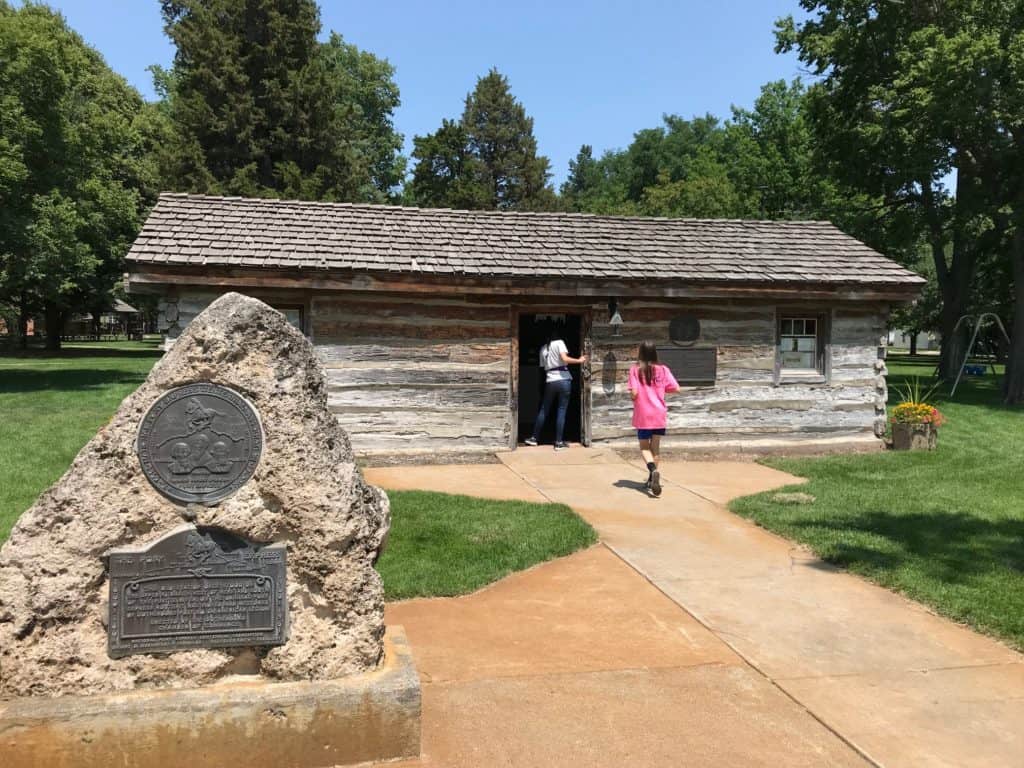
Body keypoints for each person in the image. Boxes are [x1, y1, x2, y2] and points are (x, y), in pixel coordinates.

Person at [628, 341, 679, 496]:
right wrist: (660, 391)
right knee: (655, 447)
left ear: (641, 353)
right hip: (659, 413)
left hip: (644, 414)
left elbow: (635, 393)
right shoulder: (663, 369)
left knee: (644, 447)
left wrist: (632, 396)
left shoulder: (635, 370)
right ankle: (651, 479)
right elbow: (676, 388)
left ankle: (652, 470)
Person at [525, 328, 587, 450]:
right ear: (556, 335)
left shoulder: (543, 348)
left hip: (550, 381)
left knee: (544, 409)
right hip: (563, 379)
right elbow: (564, 359)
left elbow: (543, 367)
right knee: (561, 410)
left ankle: (534, 438)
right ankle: (558, 442)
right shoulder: (559, 342)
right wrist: (579, 360)